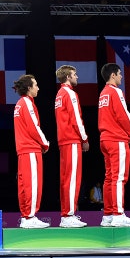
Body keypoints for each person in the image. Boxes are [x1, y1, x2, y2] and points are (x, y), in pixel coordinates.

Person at [98, 63, 130, 227]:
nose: (121, 76)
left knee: (109, 178)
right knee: (119, 178)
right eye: (120, 74)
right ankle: (118, 214)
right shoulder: (115, 91)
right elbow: (123, 115)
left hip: (105, 139)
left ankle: (108, 214)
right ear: (113, 75)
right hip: (116, 140)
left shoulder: (103, 93)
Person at [13, 75, 50, 229]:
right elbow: (33, 127)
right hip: (30, 149)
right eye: (35, 85)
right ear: (29, 87)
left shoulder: (19, 104)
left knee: (24, 184)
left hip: (23, 150)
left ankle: (26, 217)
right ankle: (30, 216)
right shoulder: (27, 103)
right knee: (32, 184)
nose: (38, 88)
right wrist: (45, 143)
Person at [54, 65, 89, 228]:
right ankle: (69, 215)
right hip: (72, 140)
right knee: (73, 178)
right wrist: (84, 139)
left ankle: (67, 214)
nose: (77, 77)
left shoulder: (59, 94)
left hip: (64, 140)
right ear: (68, 76)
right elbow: (76, 118)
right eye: (75, 74)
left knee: (66, 178)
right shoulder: (70, 93)